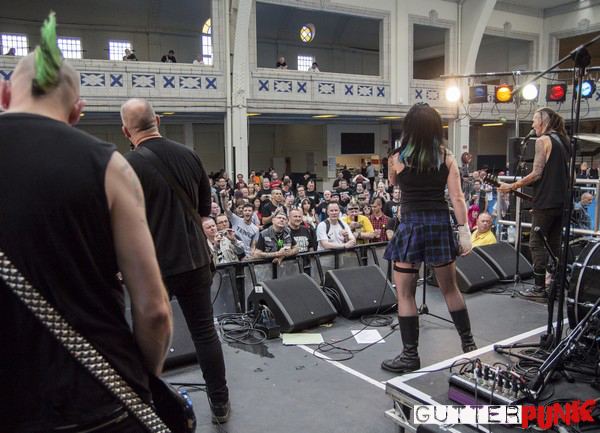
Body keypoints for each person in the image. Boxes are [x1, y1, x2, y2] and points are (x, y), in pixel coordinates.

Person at [0, 15, 172, 431]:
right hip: (100, 398)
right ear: (77, 112)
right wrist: (142, 378)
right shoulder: (111, 167)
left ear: (4, 94)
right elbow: (153, 311)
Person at [121, 98, 230, 422]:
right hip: (195, 259)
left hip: (152, 267)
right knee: (204, 333)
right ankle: (220, 404)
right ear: (157, 120)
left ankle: (148, 406)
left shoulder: (126, 166)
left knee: (145, 338)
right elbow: (204, 210)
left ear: (126, 131)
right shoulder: (189, 155)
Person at [381, 103, 475, 374]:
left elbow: (393, 184)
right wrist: (464, 232)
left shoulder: (396, 157)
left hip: (411, 226)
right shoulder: (446, 156)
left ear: (409, 127)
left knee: (405, 293)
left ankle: (410, 356)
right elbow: (457, 198)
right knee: (450, 289)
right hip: (438, 225)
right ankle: (470, 347)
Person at [499, 107, 570, 302]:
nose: (532, 124)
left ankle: (539, 288)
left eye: (534, 120)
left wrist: (512, 185)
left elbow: (537, 173)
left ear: (542, 121)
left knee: (536, 243)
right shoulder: (564, 141)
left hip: (545, 201)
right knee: (554, 244)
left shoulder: (543, 140)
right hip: (562, 202)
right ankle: (556, 287)